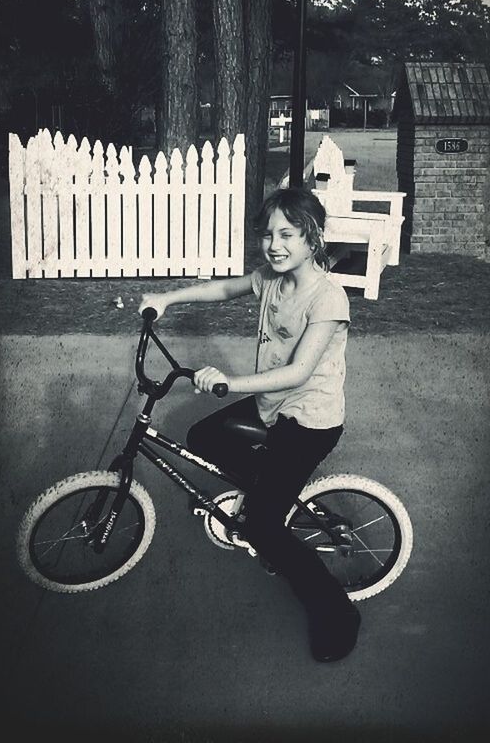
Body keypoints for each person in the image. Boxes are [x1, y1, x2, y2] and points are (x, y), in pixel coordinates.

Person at [138, 187, 360, 662]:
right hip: (270, 407)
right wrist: (167, 297)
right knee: (202, 438)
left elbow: (300, 372)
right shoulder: (273, 280)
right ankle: (269, 489)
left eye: (287, 234)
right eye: (267, 235)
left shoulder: (328, 298)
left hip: (309, 420)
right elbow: (223, 288)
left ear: (313, 237)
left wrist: (229, 382)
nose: (274, 244)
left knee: (264, 527)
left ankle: (338, 615)